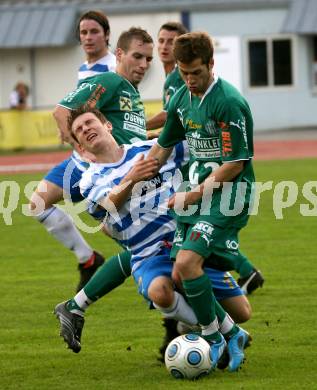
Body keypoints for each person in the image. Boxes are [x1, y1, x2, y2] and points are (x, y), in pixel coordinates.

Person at [54, 107, 251, 372]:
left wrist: (212, 123)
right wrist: (132, 178)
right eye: (79, 131)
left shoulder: (151, 150)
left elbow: (199, 148)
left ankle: (208, 324)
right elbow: (107, 205)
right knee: (160, 291)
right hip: (148, 255)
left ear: (107, 126)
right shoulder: (90, 179)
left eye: (89, 122)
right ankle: (219, 334)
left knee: (242, 311)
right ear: (80, 147)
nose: (86, 129)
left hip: (185, 242)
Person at [147, 32, 258, 356]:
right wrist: (130, 182)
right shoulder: (182, 97)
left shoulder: (228, 102)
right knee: (183, 273)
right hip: (196, 195)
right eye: (184, 72)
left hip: (228, 196)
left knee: (186, 261)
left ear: (211, 64)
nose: (191, 79)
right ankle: (232, 329)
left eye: (196, 72)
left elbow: (235, 164)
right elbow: (162, 147)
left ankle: (214, 338)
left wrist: (193, 195)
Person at [28, 13, 127, 292]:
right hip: (81, 158)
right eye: (83, 32)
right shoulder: (86, 67)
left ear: (107, 35)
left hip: (100, 161)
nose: (87, 37)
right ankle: (88, 260)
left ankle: (179, 277)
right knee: (37, 203)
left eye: (94, 31)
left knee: (123, 229)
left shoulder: (112, 69)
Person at [147, 22, 187, 131]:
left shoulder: (181, 74)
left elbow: (168, 115)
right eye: (161, 41)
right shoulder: (171, 75)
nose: (164, 46)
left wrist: (138, 127)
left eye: (171, 42)